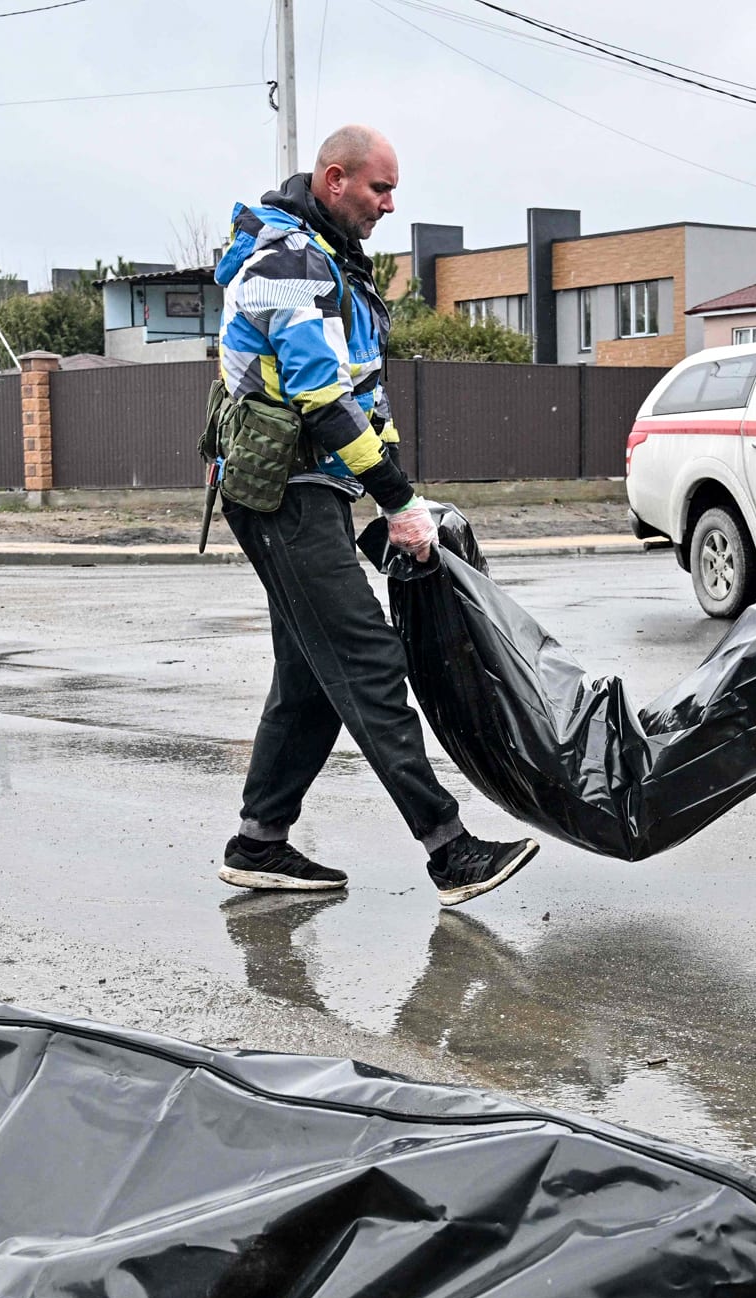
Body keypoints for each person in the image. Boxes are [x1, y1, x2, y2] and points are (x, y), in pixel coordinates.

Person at [211, 125, 539, 908]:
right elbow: (321, 400)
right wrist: (394, 501)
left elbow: (363, 400)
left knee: (311, 675)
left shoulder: (330, 262)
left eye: (393, 191)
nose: (391, 205)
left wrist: (401, 495)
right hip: (282, 494)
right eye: (379, 189)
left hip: (309, 488)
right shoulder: (289, 265)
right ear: (333, 180)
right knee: (365, 658)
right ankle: (449, 850)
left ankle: (259, 842)